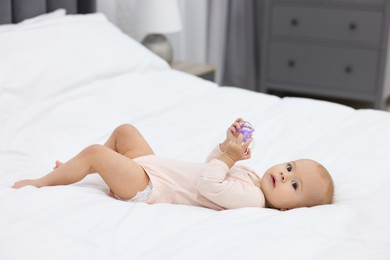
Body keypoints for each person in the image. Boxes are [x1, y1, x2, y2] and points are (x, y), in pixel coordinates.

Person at [12, 118, 334, 211]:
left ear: (288, 210)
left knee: (96, 152)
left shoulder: (253, 200)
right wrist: (225, 146)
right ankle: (86, 166)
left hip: (150, 185)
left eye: (294, 185)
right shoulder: (252, 175)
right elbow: (210, 166)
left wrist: (228, 158)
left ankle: (45, 181)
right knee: (126, 132)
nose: (283, 174)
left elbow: (208, 184)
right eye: (290, 167)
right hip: (155, 165)